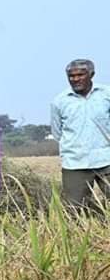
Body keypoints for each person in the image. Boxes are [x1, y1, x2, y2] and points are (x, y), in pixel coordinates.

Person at [50, 58, 110, 209]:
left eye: (80, 75)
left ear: (91, 74)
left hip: (106, 159)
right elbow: (57, 133)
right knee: (74, 209)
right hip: (75, 163)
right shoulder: (59, 102)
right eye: (71, 76)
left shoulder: (106, 95)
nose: (75, 79)